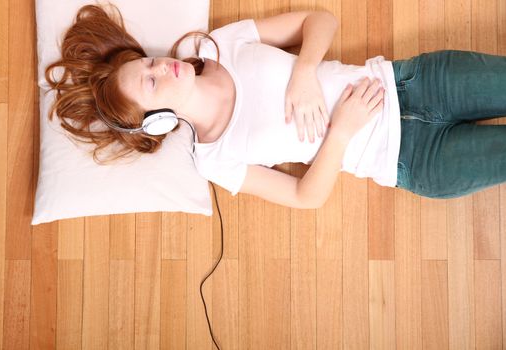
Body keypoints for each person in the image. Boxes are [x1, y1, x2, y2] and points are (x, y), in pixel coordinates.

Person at [46, 3, 506, 209]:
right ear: (159, 121)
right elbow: (305, 198)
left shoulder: (219, 46)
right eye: (151, 81)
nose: (163, 66)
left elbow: (319, 19)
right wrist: (341, 132)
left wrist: (305, 72)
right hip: (412, 160)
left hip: (414, 82)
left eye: (150, 61)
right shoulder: (215, 161)